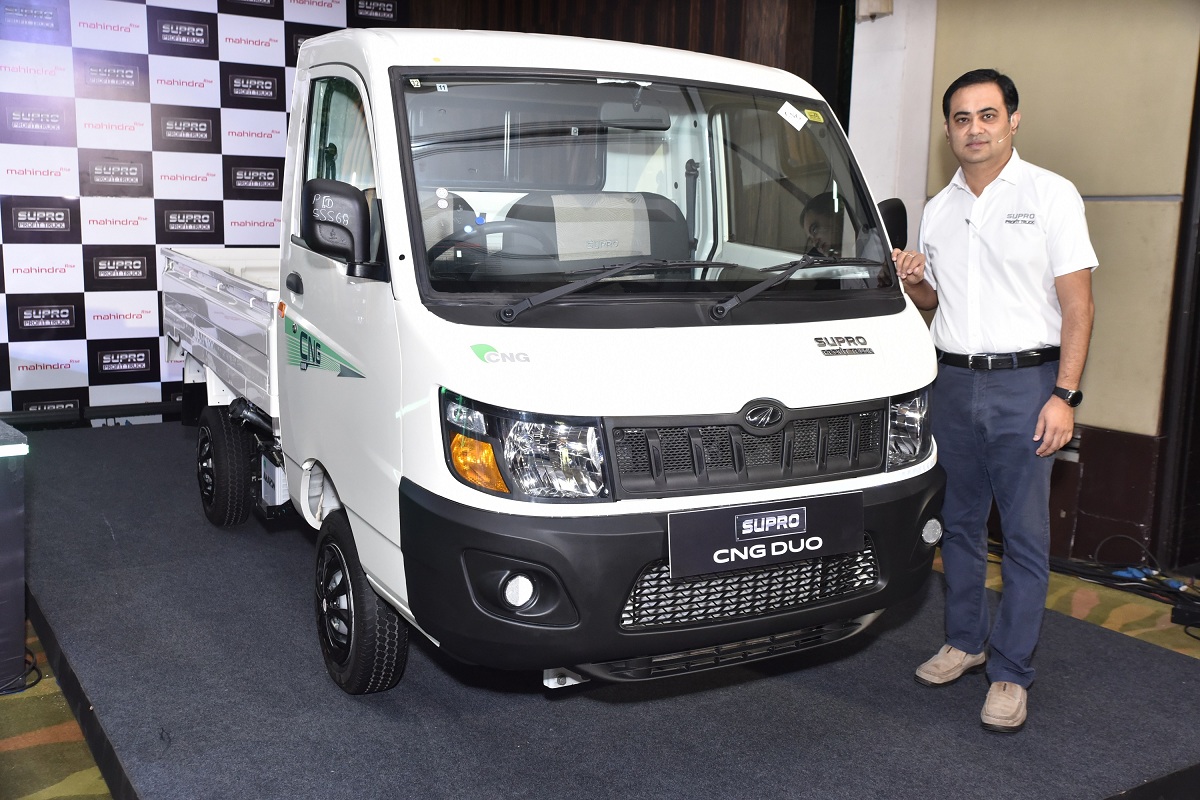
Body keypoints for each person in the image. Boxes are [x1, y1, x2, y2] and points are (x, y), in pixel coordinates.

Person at [892, 68, 1097, 733]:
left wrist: (1065, 395)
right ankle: (965, 641)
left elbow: (1078, 306)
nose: (974, 129)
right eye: (961, 118)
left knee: (1024, 536)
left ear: (1012, 120)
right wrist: (915, 282)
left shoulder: (1050, 193)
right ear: (948, 129)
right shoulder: (939, 207)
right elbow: (936, 303)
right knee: (958, 524)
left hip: (1027, 385)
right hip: (951, 381)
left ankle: (1011, 671)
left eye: (987, 115)